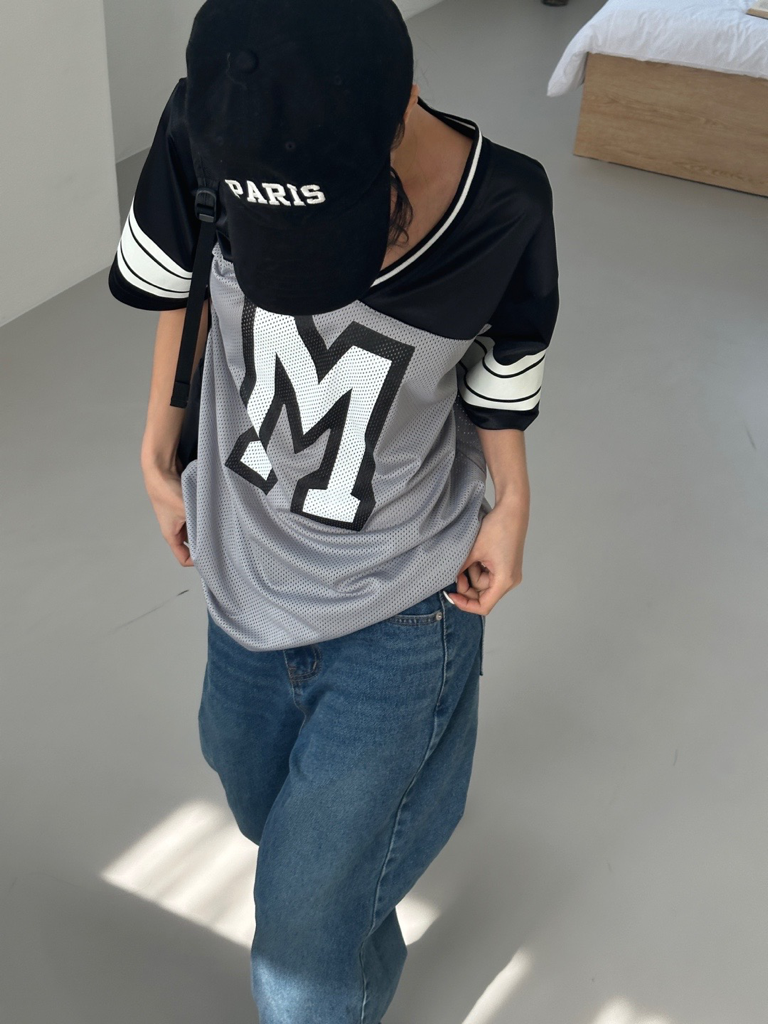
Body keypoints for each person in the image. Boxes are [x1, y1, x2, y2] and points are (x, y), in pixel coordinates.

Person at [108, 0, 559, 1020]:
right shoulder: (205, 122)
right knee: (250, 790)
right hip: (242, 564)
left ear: (402, 103)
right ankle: (348, 884)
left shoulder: (506, 203)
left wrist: (513, 503)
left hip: (408, 595)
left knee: (301, 944)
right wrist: (158, 444)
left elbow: (506, 364)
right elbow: (181, 279)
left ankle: (339, 902)